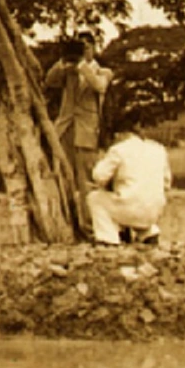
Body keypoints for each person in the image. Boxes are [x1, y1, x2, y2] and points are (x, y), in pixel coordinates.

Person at [44, 32, 113, 230]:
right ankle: (66, 225)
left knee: (87, 182)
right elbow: (49, 81)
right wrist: (64, 60)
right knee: (62, 178)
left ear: (93, 48)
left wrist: (82, 65)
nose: (82, 51)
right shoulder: (69, 71)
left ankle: (90, 226)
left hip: (86, 131)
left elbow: (99, 87)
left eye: (86, 47)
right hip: (65, 128)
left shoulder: (103, 72)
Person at [86, 112, 172, 246]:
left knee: (95, 198)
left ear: (118, 134)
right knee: (138, 197)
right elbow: (167, 183)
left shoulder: (118, 150)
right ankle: (149, 233)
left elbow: (98, 176)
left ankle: (108, 238)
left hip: (130, 208)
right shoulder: (158, 149)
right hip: (154, 211)